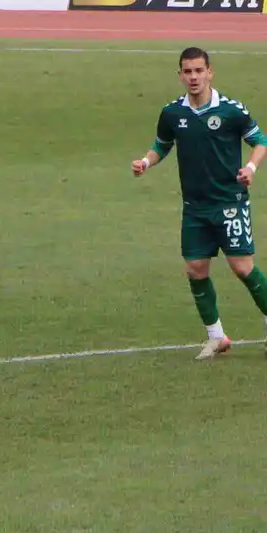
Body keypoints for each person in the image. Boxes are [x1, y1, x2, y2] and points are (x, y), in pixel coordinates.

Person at [131, 47, 267, 361]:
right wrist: (146, 162)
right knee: (195, 269)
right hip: (195, 207)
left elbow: (260, 141)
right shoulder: (172, 113)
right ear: (180, 75)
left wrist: (251, 168)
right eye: (187, 71)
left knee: (242, 267)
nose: (193, 77)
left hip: (229, 203)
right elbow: (161, 145)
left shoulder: (231, 110)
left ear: (210, 72)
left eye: (198, 71)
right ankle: (216, 337)